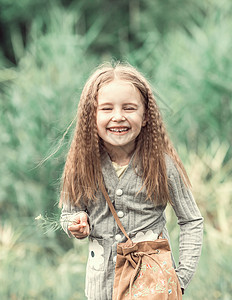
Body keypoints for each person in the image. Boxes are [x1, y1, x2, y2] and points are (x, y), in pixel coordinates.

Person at [60, 63, 203, 299]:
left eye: (129, 108)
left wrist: (180, 277)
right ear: (91, 116)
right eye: (106, 109)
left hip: (152, 287)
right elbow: (68, 214)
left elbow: (191, 220)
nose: (118, 117)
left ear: (145, 116)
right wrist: (75, 224)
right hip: (100, 289)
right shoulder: (81, 165)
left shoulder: (163, 165)